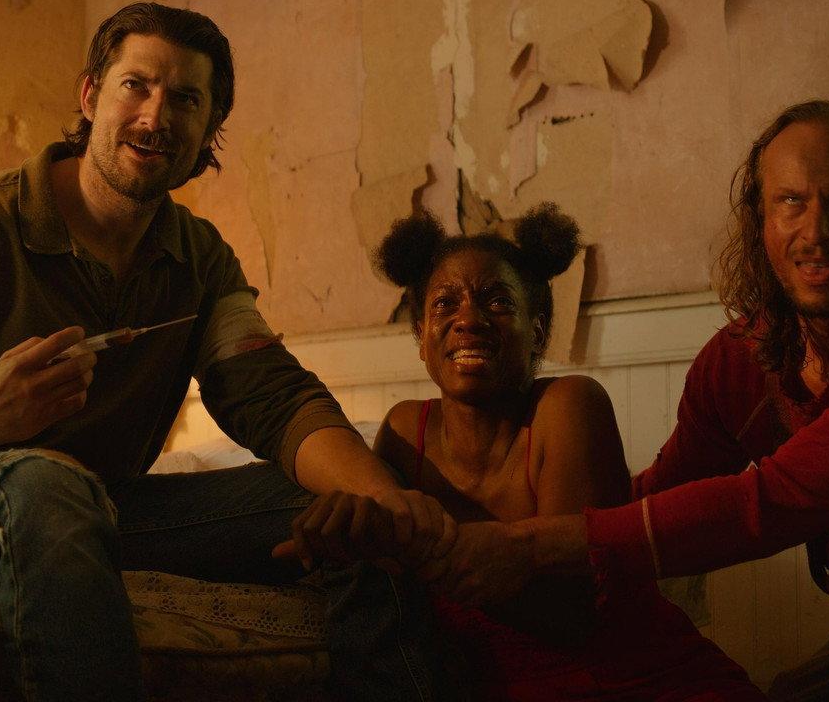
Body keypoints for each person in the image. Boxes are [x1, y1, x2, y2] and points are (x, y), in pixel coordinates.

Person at [0, 1, 456, 702]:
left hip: (102, 506)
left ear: (209, 129)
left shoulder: (198, 258)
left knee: (345, 511)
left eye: (186, 100)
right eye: (136, 86)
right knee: (44, 483)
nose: (156, 118)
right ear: (90, 95)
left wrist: (386, 502)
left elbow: (272, 397)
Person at [295, 100, 829, 701]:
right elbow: (665, 495)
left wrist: (528, 547)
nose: (814, 232)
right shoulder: (742, 359)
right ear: (759, 218)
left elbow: (778, 499)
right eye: (791, 202)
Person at [277, 205, 766, 700]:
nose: (468, 320)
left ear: (536, 330)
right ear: (421, 337)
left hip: (631, 679)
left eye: (497, 301)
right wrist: (345, 536)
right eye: (445, 304)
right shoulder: (406, 433)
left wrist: (416, 546)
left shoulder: (569, 406)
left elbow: (572, 610)